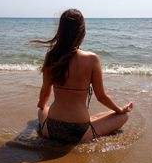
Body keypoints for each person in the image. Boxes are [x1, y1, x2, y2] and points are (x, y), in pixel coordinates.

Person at [31, 9, 133, 144]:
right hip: (80, 131)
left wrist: (41, 105)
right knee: (122, 116)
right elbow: (101, 96)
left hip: (51, 129)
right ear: (82, 32)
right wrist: (120, 110)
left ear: (60, 30)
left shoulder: (52, 56)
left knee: (43, 110)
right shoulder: (92, 59)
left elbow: (45, 92)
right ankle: (94, 124)